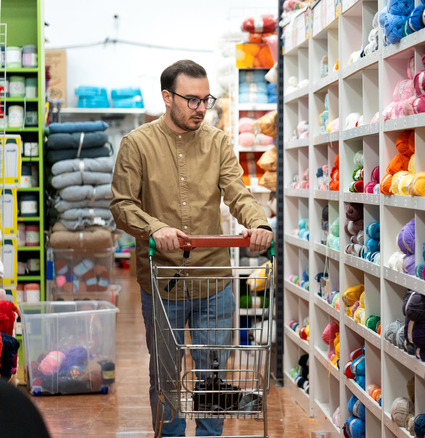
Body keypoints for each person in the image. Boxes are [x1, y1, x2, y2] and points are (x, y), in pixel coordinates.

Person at [111, 59, 273, 437]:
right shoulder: (137, 144)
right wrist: (155, 227)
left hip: (214, 281)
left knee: (213, 375)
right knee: (165, 376)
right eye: (191, 100)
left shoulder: (218, 142)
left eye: (206, 100)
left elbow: (238, 192)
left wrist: (258, 222)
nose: (201, 108)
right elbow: (122, 205)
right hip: (163, 283)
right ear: (167, 97)